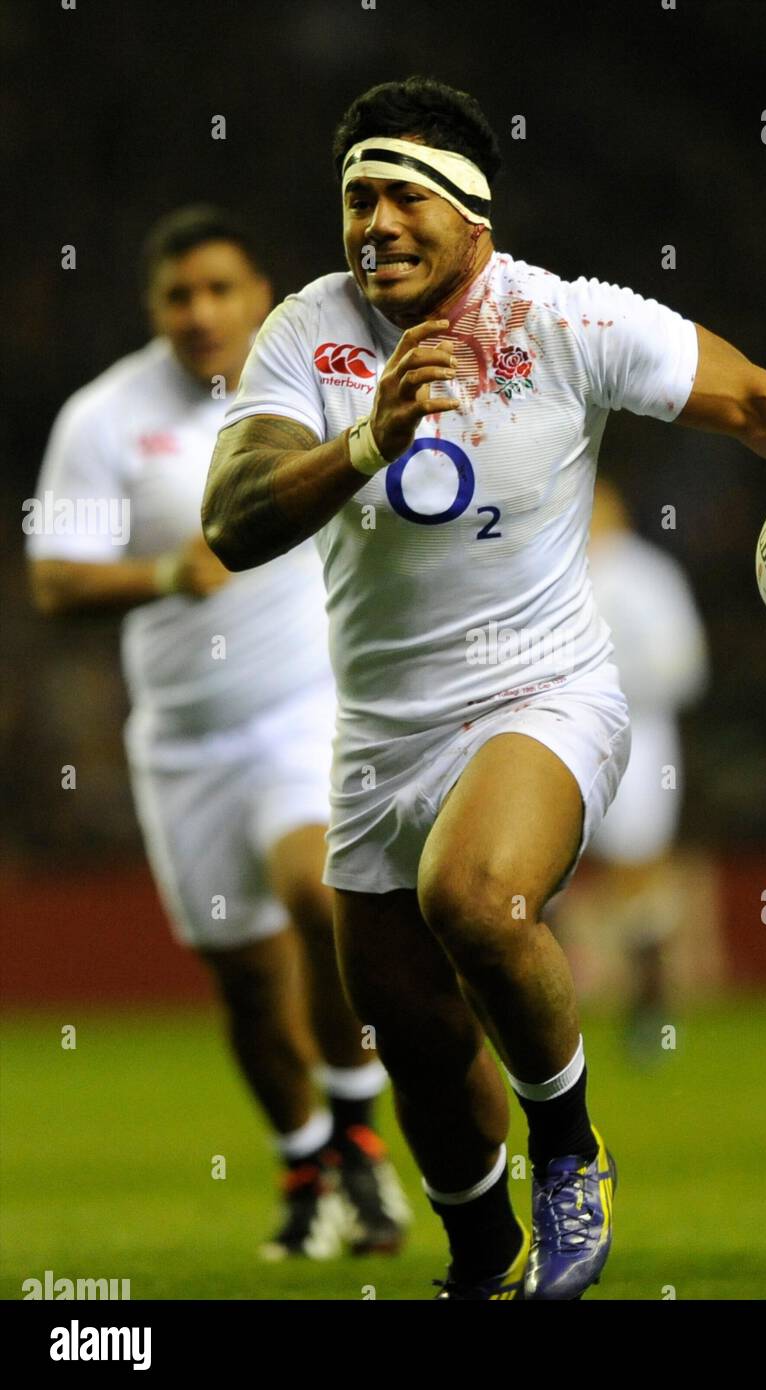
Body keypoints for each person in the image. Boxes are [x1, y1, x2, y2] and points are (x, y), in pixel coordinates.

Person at [202, 76, 766, 1300]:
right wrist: (362, 443)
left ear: (472, 216)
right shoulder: (306, 333)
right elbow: (231, 522)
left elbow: (758, 400)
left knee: (475, 895)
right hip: (377, 743)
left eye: (403, 195)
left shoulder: (565, 323)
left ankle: (568, 1148)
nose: (374, 224)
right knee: (418, 1035)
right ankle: (484, 1258)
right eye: (356, 199)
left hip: (541, 695)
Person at [26, 206, 408, 1263]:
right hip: (183, 742)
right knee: (243, 979)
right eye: (177, 295)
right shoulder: (104, 418)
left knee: (317, 899)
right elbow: (53, 578)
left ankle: (361, 1137)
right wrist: (163, 572)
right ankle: (306, 1168)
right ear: (153, 308)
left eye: (219, 290)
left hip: (303, 708)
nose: (200, 312)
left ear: (258, 293)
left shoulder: (306, 386)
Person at [583, 479, 709, 1054]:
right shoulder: (550, 566)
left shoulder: (646, 575)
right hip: (561, 731)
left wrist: (613, 683)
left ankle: (650, 1007)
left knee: (637, 871)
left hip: (640, 734)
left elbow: (685, 665)